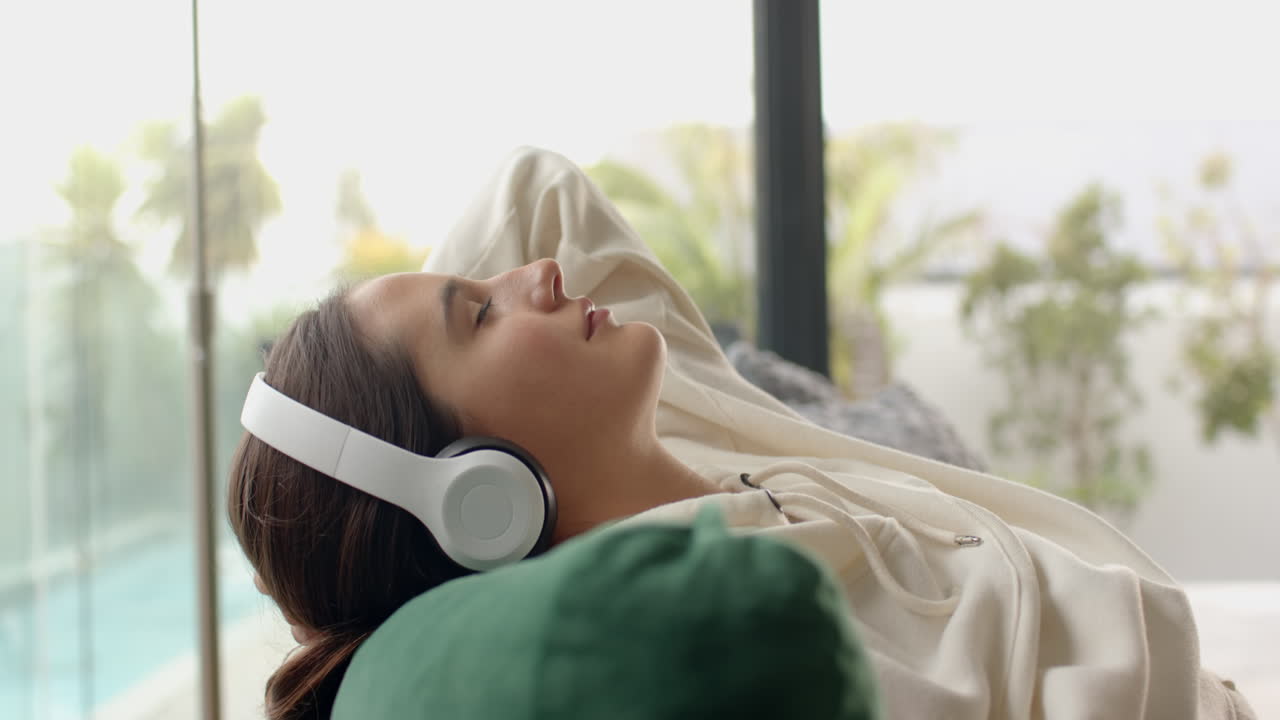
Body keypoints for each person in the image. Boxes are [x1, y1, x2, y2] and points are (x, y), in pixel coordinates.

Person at [228, 147, 1254, 720]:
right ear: (474, 492)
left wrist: (354, 361)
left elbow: (535, 191)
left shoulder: (700, 442)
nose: (539, 274)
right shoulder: (748, 627)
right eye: (480, 315)